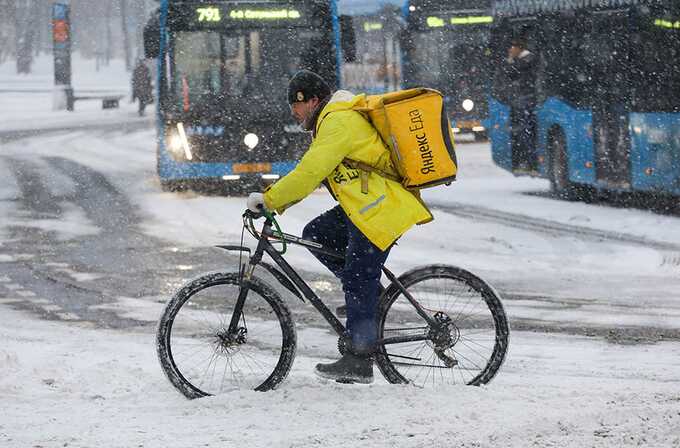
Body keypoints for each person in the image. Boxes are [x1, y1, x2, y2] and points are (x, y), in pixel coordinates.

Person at [246, 70, 432, 384]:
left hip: (379, 209)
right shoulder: (332, 121)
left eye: (296, 105)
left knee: (358, 276)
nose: (294, 112)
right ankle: (371, 303)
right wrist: (275, 200)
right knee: (316, 235)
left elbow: (309, 172)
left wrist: (269, 199)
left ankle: (359, 359)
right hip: (366, 206)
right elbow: (315, 174)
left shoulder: (337, 122)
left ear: (313, 100)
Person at [503, 37, 537, 172]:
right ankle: (527, 162)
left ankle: (530, 162)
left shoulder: (528, 60)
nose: (510, 50)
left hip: (528, 101)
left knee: (527, 134)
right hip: (524, 101)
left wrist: (510, 60)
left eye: (512, 47)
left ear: (519, 48)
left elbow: (511, 74)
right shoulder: (523, 60)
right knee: (523, 134)